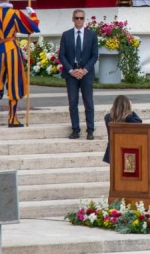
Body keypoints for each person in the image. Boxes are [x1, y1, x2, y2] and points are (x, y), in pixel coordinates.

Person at [59, 9, 99, 140]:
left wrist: (85, 70)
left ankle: (90, 130)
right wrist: (71, 70)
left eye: (81, 18)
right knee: (73, 103)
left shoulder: (91, 35)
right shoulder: (66, 35)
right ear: (73, 19)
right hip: (71, 73)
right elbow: (62, 55)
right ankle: (75, 129)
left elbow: (94, 55)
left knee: (88, 102)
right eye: (76, 18)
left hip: (86, 73)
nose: (79, 20)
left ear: (84, 19)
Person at [103, 94, 142, 164]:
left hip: (112, 149)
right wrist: (131, 111)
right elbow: (139, 122)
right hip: (126, 149)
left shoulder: (107, 117)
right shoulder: (129, 118)